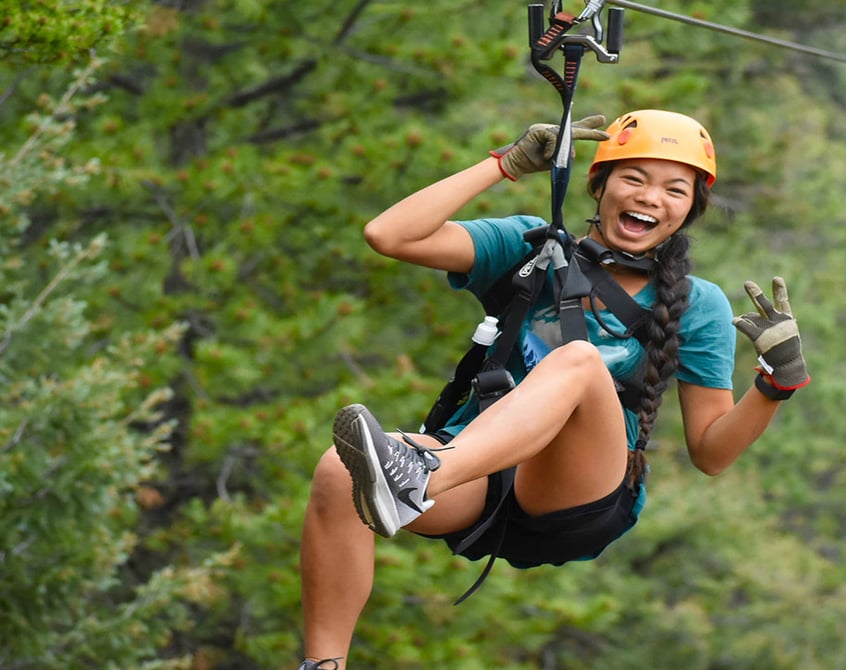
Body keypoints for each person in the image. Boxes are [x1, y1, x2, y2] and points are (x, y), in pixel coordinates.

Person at [297, 110, 811, 670]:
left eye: (674, 189)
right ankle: (324, 665)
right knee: (337, 470)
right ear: (600, 184)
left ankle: (419, 477)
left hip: (579, 494)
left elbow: (711, 453)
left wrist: (775, 383)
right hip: (479, 476)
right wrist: (505, 165)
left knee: (580, 362)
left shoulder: (699, 303)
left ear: (689, 210)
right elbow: (388, 235)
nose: (650, 197)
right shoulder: (529, 245)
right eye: (633, 177)